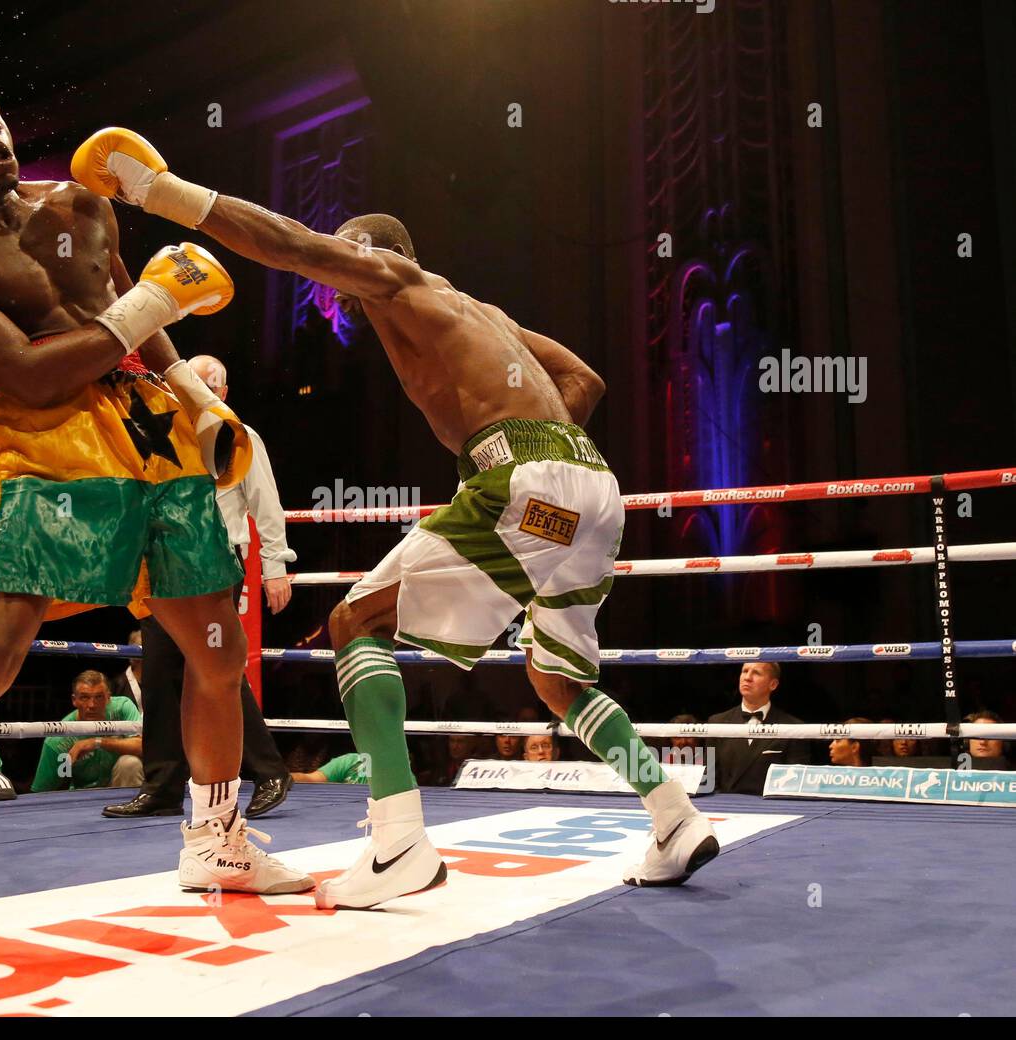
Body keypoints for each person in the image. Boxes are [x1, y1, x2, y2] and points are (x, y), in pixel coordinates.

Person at [70, 126, 720, 906]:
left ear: (376, 253)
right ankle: (673, 816)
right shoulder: (481, 312)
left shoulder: (394, 277)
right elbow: (582, 378)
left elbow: (288, 243)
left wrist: (154, 190)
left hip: (531, 482)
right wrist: (543, 466)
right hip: (590, 493)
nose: (333, 280)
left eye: (343, 260)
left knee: (354, 624)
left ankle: (398, 841)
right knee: (556, 679)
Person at [0, 74, 311, 966]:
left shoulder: (79, 202)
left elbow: (141, 326)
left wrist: (195, 397)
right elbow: (34, 372)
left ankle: (217, 841)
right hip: (44, 437)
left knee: (218, 649)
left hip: (151, 429)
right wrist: (156, 300)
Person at [103, 354, 295, 819]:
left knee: (214, 669)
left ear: (222, 394)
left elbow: (265, 504)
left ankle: (269, 769)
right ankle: (163, 785)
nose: (196, 392)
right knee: (162, 671)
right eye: (189, 383)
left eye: (207, 385)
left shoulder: (238, 434)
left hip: (214, 563)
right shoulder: (160, 432)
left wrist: (275, 566)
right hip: (161, 567)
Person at [32, 672, 143, 791]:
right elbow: (42, 791)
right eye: (84, 697)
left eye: (99, 697)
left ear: (108, 698)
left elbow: (142, 746)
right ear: (74, 700)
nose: (92, 705)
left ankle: (133, 808)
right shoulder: (59, 740)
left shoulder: (123, 708)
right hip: (83, 797)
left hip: (119, 790)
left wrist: (96, 742)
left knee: (130, 764)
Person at [707, 662, 806, 794]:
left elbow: (795, 783)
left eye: (756, 673)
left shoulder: (793, 727)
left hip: (773, 809)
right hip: (726, 806)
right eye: (745, 671)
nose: (747, 677)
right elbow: (711, 778)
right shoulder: (717, 723)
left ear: (773, 684)